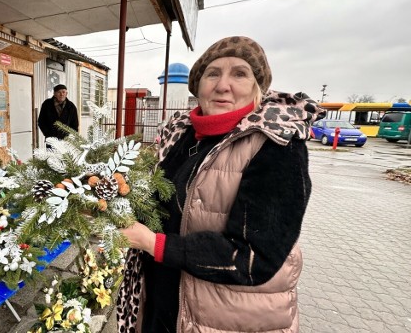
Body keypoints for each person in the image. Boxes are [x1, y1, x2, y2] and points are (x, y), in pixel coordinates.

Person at [116, 36, 326, 332]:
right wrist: (106, 201)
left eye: (239, 74)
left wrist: (152, 243)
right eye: (212, 73)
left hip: (220, 318)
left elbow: (257, 257)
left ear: (257, 87)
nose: (223, 85)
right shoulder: (182, 136)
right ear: (198, 85)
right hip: (162, 303)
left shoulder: (277, 146)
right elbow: (161, 205)